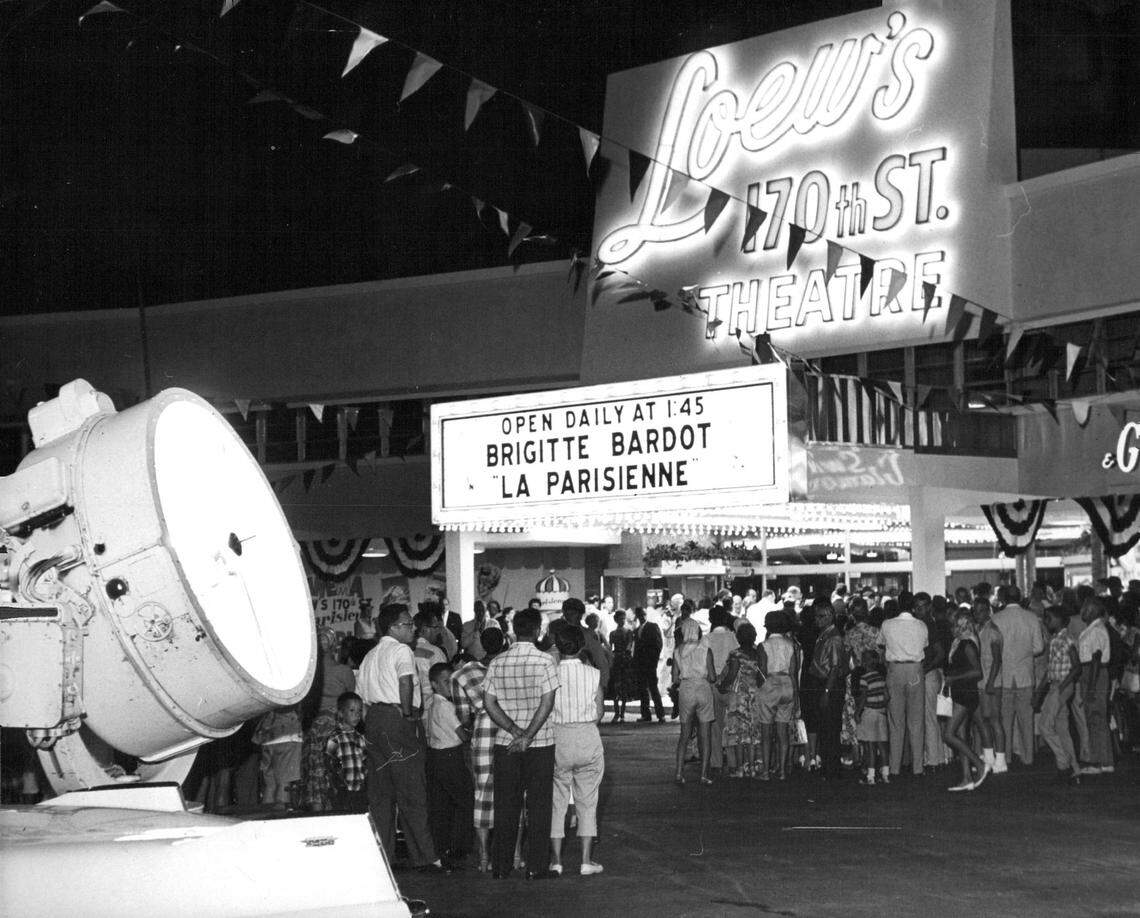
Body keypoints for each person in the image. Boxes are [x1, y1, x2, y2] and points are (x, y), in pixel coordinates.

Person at [358, 603, 447, 873]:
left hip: (373, 720)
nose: (413, 628)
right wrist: (407, 713)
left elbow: (361, 697)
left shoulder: (369, 656)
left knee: (381, 795)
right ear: (394, 628)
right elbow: (405, 682)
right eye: (408, 624)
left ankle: (383, 856)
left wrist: (372, 723)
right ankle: (426, 856)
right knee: (412, 791)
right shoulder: (401, 650)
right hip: (398, 720)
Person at [482, 606, 560, 879]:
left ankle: (501, 866)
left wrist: (515, 731)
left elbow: (489, 703)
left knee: (506, 805)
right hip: (541, 743)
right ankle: (536, 867)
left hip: (506, 743)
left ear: (513, 631)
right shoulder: (545, 662)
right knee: (539, 807)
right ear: (539, 631)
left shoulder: (497, 662)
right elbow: (547, 702)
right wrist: (528, 735)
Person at [549, 625, 606, 878]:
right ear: (582, 645)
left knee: (557, 802)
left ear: (557, 646)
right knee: (587, 801)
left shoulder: (550, 674)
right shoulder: (593, 674)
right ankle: (585, 860)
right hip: (587, 737)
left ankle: (556, 861)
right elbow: (600, 712)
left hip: (558, 738)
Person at [451, 627, 504, 872]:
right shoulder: (509, 666)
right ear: (504, 642)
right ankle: (513, 855)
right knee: (514, 791)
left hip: (483, 731)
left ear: (481, 644)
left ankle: (484, 856)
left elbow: (463, 716)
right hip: (512, 727)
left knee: (482, 793)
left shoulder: (463, 673)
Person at [424, 662, 474, 866]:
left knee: (442, 805)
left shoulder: (431, 704)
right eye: (446, 682)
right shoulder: (445, 706)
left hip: (436, 758)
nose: (450, 686)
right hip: (451, 758)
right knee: (465, 800)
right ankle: (460, 847)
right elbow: (462, 735)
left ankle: (443, 847)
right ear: (434, 684)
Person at [991, 584, 1046, 767]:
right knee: (1026, 720)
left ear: (1004, 598)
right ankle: (1028, 757)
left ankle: (1005, 757)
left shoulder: (996, 619)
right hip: (1025, 676)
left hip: (1004, 676)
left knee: (1005, 720)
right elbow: (1039, 648)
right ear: (1020, 597)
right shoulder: (1031, 618)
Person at [878, 598, 928, 777]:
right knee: (916, 721)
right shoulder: (921, 625)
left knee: (895, 721)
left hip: (895, 670)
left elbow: (881, 646)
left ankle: (894, 767)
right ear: (914, 608)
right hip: (915, 670)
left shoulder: (887, 624)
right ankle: (918, 767)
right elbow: (925, 646)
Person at [941, 611, 988, 791]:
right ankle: (967, 777)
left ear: (962, 626)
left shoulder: (967, 644)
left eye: (954, 625)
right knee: (960, 735)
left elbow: (978, 672)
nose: (951, 628)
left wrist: (954, 678)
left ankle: (979, 763)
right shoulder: (959, 642)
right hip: (960, 691)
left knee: (948, 734)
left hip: (965, 693)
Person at [1035, 606, 1081, 785]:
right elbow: (1050, 669)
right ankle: (1075, 768)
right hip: (1058, 685)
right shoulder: (1056, 639)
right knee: (1062, 729)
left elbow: (1076, 666)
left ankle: (1064, 764)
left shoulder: (1065, 639)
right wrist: (1040, 692)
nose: (1046, 621)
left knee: (1045, 725)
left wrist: (1062, 686)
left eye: (1049, 618)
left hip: (1061, 686)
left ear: (1060, 620)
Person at [756, 610, 800, 780]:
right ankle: (782, 770)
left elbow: (762, 671)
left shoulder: (763, 645)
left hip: (770, 685)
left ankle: (766, 771)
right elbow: (794, 672)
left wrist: (759, 688)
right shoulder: (791, 645)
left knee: (766, 732)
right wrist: (795, 694)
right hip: (787, 684)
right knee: (783, 731)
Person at [673, 616, 716, 785]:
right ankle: (704, 774)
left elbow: (675, 678)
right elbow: (712, 676)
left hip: (686, 689)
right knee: (705, 735)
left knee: (684, 733)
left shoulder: (678, 651)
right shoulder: (706, 650)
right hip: (703, 688)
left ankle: (678, 772)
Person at [718, 622, 764, 778]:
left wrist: (722, 686)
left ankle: (739, 768)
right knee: (752, 734)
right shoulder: (758, 653)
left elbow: (731, 675)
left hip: (739, 696)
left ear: (738, 638)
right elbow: (761, 676)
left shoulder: (735, 654)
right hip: (755, 695)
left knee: (738, 734)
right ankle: (751, 766)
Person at [809, 601, 847, 778]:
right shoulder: (825, 634)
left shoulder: (833, 638)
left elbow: (834, 667)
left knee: (830, 728)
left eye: (821, 616)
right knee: (825, 727)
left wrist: (826, 692)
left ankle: (831, 768)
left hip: (829, 685)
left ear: (831, 616)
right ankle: (828, 766)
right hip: (823, 683)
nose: (817, 620)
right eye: (815, 616)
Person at [1077, 597, 1113, 775]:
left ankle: (1101, 761)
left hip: (1094, 674)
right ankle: (1101, 760)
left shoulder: (1097, 630)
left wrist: (1090, 687)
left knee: (1096, 717)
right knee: (1095, 718)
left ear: (1093, 611)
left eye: (1085, 608)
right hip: (1091, 673)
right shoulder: (1094, 628)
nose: (1082, 611)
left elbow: (1096, 659)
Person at [973, 597, 1006, 774]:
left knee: (994, 720)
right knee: (984, 720)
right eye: (975, 611)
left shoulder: (993, 632)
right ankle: (989, 757)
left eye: (980, 611)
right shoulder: (980, 630)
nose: (977, 614)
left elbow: (996, 660)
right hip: (982, 682)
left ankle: (1000, 760)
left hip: (991, 682)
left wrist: (991, 682)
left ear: (987, 611)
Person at [706, 603, 738, 772]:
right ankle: (732, 761)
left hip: (712, 684)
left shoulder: (707, 638)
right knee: (731, 723)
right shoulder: (732, 637)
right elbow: (736, 660)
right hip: (730, 682)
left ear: (711, 619)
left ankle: (716, 761)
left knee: (715, 725)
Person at [252, 703, 303, 808]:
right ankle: (280, 815)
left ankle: (266, 816)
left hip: (267, 734)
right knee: (283, 782)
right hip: (288, 734)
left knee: (270, 785)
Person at [325, 691, 368, 812]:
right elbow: (328, 763)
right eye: (352, 711)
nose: (357, 715)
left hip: (360, 790)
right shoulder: (334, 738)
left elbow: (365, 762)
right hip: (342, 791)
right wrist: (336, 784)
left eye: (359, 711)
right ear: (341, 713)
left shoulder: (361, 738)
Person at [854, 650, 889, 785]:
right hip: (881, 712)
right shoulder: (881, 678)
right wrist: (881, 705)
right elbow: (887, 697)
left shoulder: (864, 678)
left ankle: (871, 776)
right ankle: (885, 774)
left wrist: (858, 712)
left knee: (870, 746)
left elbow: (863, 697)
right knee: (882, 745)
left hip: (869, 712)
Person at [632, 607, 666, 722]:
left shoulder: (652, 626)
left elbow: (658, 644)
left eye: (643, 614)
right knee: (643, 689)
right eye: (640, 615)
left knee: (653, 688)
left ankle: (660, 714)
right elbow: (636, 648)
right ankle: (646, 714)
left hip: (650, 662)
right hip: (640, 663)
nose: (642, 617)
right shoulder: (636, 630)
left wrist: (654, 660)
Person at [316, 627, 356, 716]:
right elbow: (352, 700)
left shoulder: (310, 673)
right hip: (337, 721)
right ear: (335, 645)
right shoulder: (344, 671)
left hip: (313, 721)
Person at [607, 608, 636, 723]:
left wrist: (626, 653)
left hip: (623, 660)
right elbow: (610, 647)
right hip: (618, 659)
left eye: (623, 618)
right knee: (616, 687)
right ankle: (616, 712)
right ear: (616, 620)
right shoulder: (613, 633)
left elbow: (630, 644)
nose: (622, 620)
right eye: (620, 618)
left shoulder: (628, 632)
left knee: (623, 686)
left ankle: (622, 713)